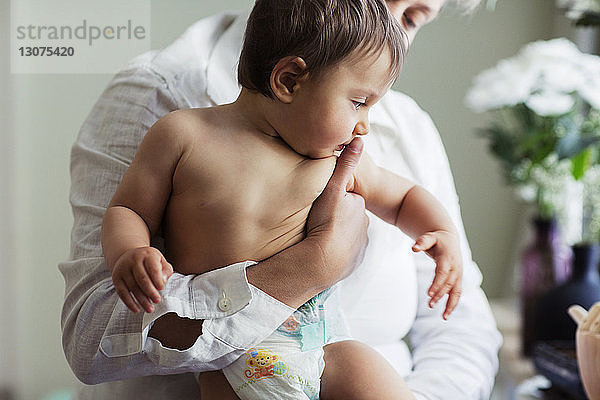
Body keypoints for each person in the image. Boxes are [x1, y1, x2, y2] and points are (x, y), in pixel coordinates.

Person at [59, 0, 502, 399]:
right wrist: (130, 253)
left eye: (411, 17)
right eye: (359, 103)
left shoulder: (338, 151)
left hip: (327, 347)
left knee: (370, 373)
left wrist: (440, 232)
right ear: (289, 80)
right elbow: (129, 211)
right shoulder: (179, 128)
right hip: (233, 365)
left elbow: (404, 200)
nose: (366, 123)